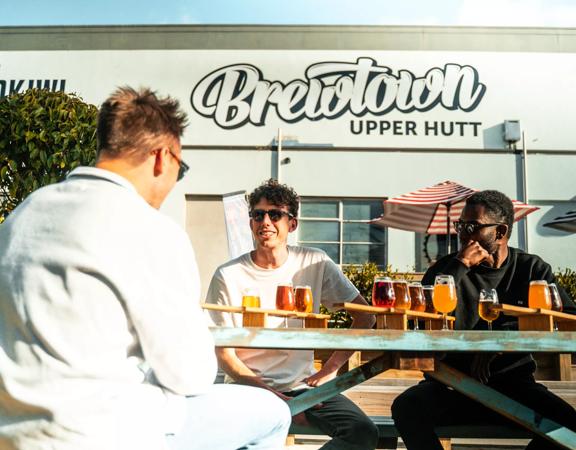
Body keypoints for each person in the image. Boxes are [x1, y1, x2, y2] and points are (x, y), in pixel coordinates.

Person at [0, 87, 290, 450]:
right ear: (161, 159)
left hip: (13, 431)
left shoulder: (22, 215)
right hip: (99, 435)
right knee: (272, 413)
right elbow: (191, 375)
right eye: (179, 169)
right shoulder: (150, 230)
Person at [391, 190, 576, 450]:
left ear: (500, 232)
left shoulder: (531, 269)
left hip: (514, 388)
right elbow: (421, 322)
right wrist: (460, 265)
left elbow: (567, 318)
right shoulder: (445, 271)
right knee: (406, 407)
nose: (463, 233)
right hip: (452, 389)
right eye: (460, 225)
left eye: (472, 226)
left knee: (569, 426)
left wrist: (498, 345)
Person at [206, 179, 379, 450]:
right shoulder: (228, 275)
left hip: (304, 389)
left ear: (292, 224)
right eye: (257, 214)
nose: (265, 221)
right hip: (248, 388)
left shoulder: (314, 261)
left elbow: (365, 316)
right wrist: (276, 400)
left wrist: (331, 369)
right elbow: (225, 355)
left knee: (362, 432)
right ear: (250, 222)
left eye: (275, 214)